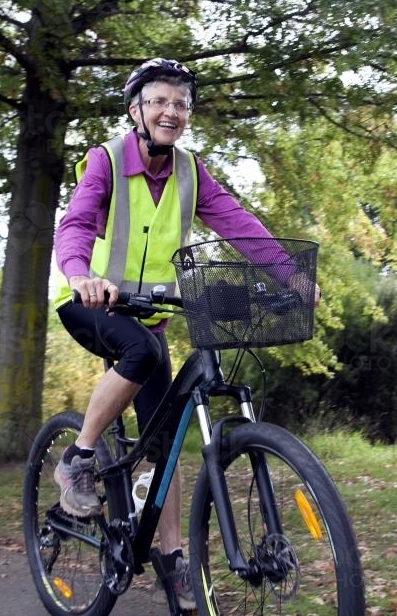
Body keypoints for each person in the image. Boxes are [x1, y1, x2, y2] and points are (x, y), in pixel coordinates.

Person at [52, 58, 318, 610]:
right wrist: (81, 274)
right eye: (159, 101)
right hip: (92, 304)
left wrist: (288, 275)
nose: (171, 111)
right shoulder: (105, 163)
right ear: (136, 111)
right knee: (141, 350)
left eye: (180, 104)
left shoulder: (191, 173)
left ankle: (172, 560)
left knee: (164, 440)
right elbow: (75, 223)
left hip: (151, 314)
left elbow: (239, 224)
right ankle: (78, 458)